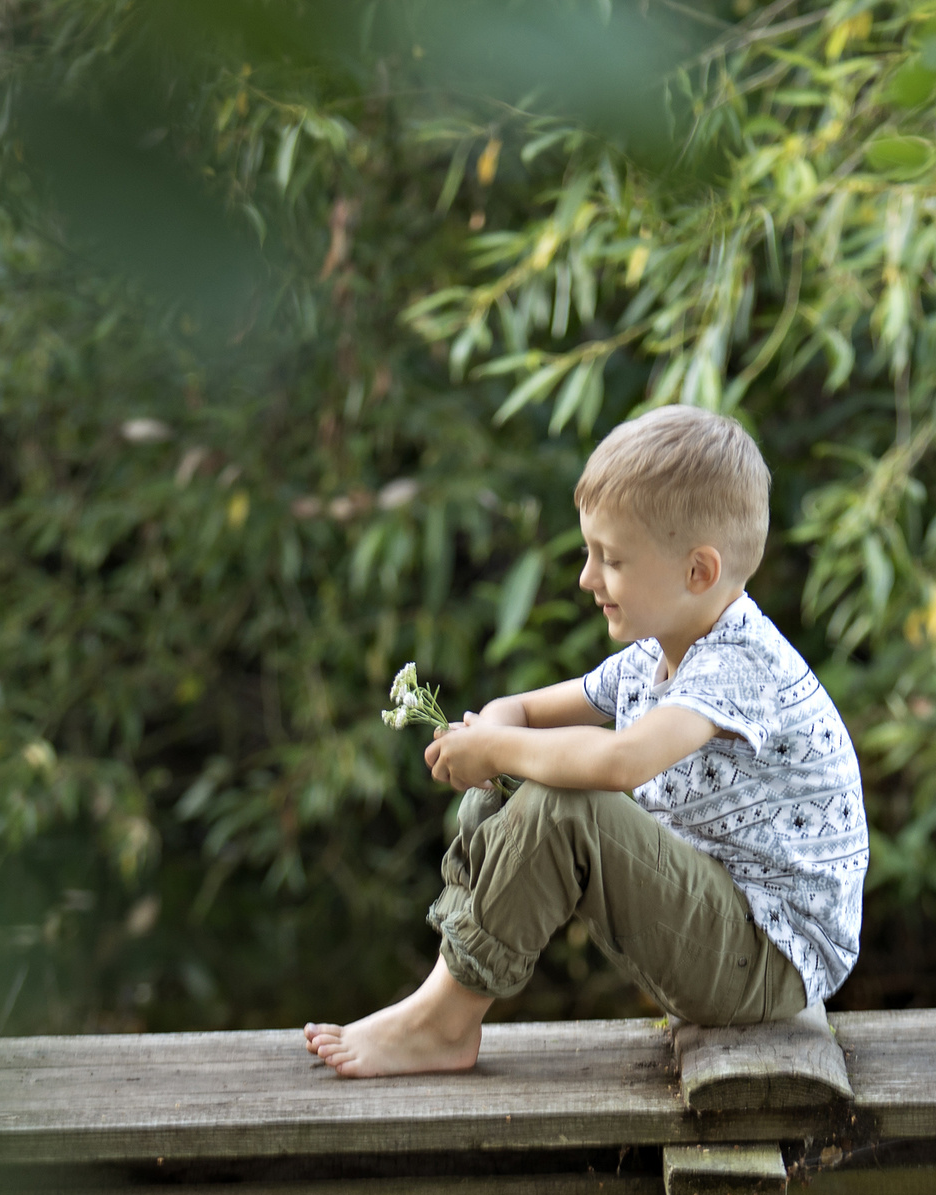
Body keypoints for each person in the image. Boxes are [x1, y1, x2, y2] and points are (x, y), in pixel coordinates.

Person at [304, 405, 869, 1077]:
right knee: (515, 788)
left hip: (768, 964)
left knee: (564, 804)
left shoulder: (739, 666)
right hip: (718, 934)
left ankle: (443, 1023)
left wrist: (497, 746)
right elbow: (526, 710)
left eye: (612, 559)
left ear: (698, 571)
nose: (587, 579)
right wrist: (494, 733)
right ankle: (439, 999)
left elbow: (617, 762)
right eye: (589, 553)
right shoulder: (660, 649)